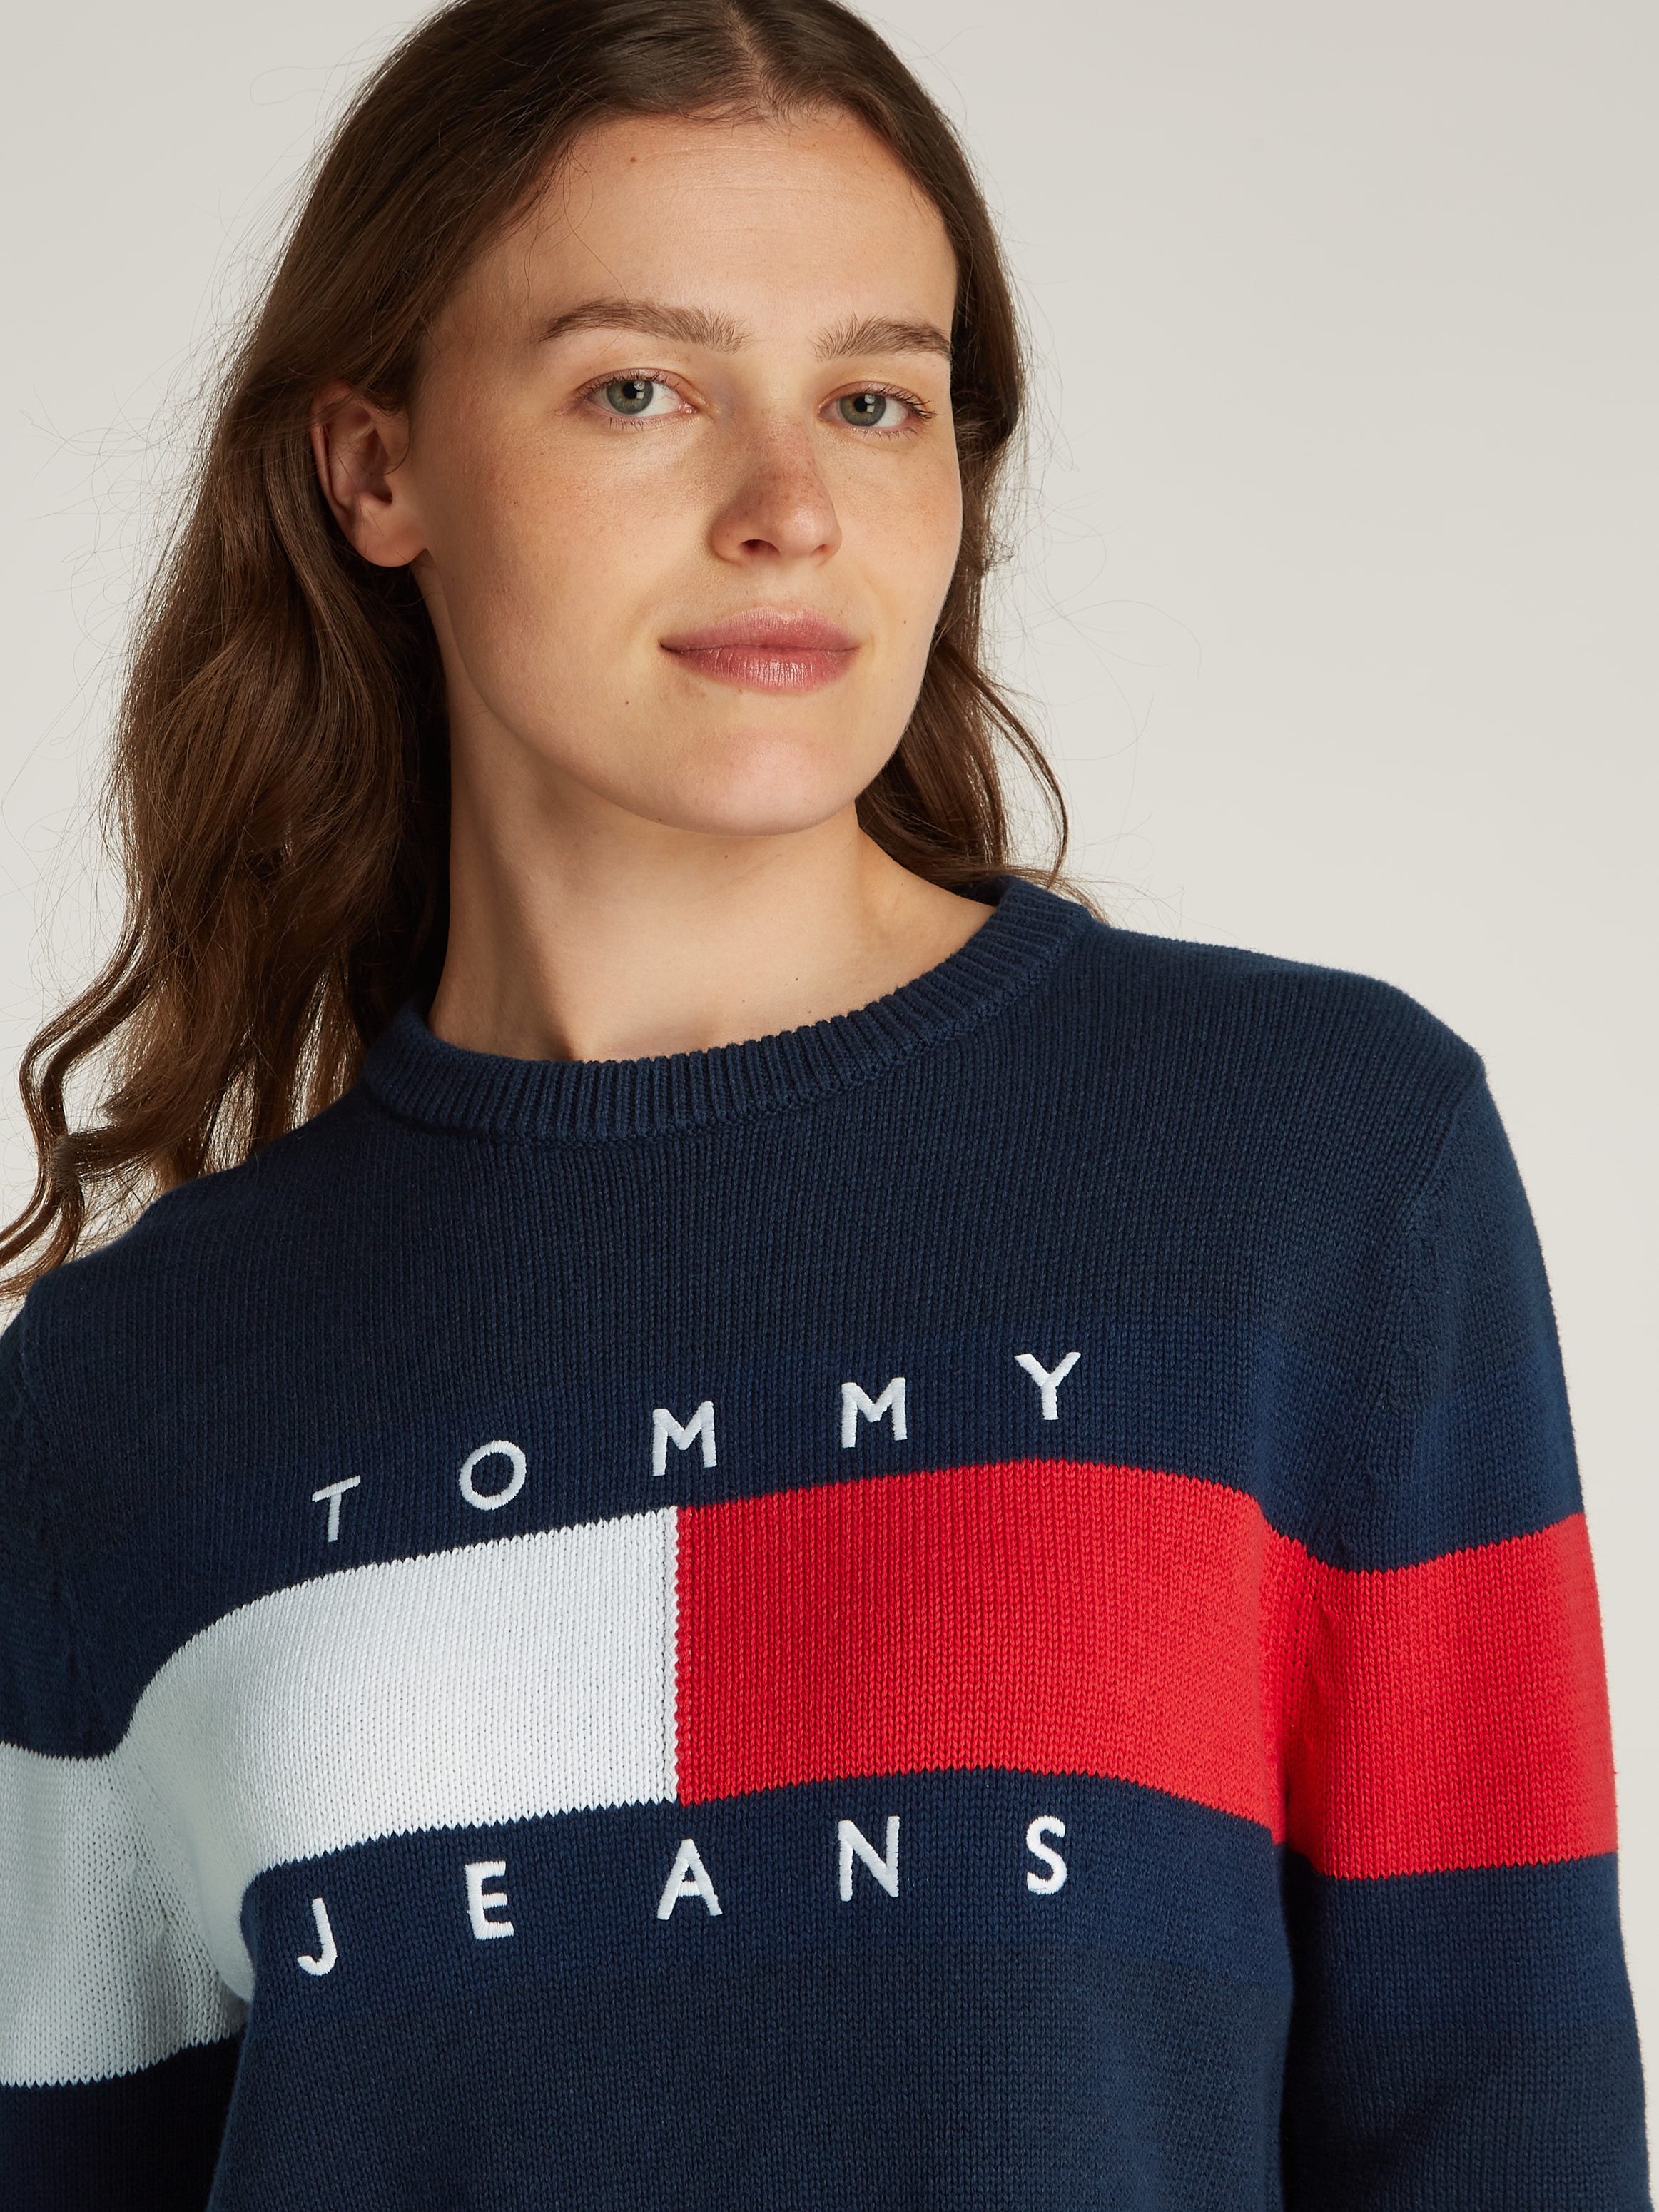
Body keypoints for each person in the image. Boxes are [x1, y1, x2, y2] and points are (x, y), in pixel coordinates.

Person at [0, 0, 1648, 2203]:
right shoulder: (120, 1388)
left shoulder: (1318, 1168)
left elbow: (1509, 2132)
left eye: (876, 399)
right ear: (374, 468)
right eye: (641, 388)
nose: (790, 510)